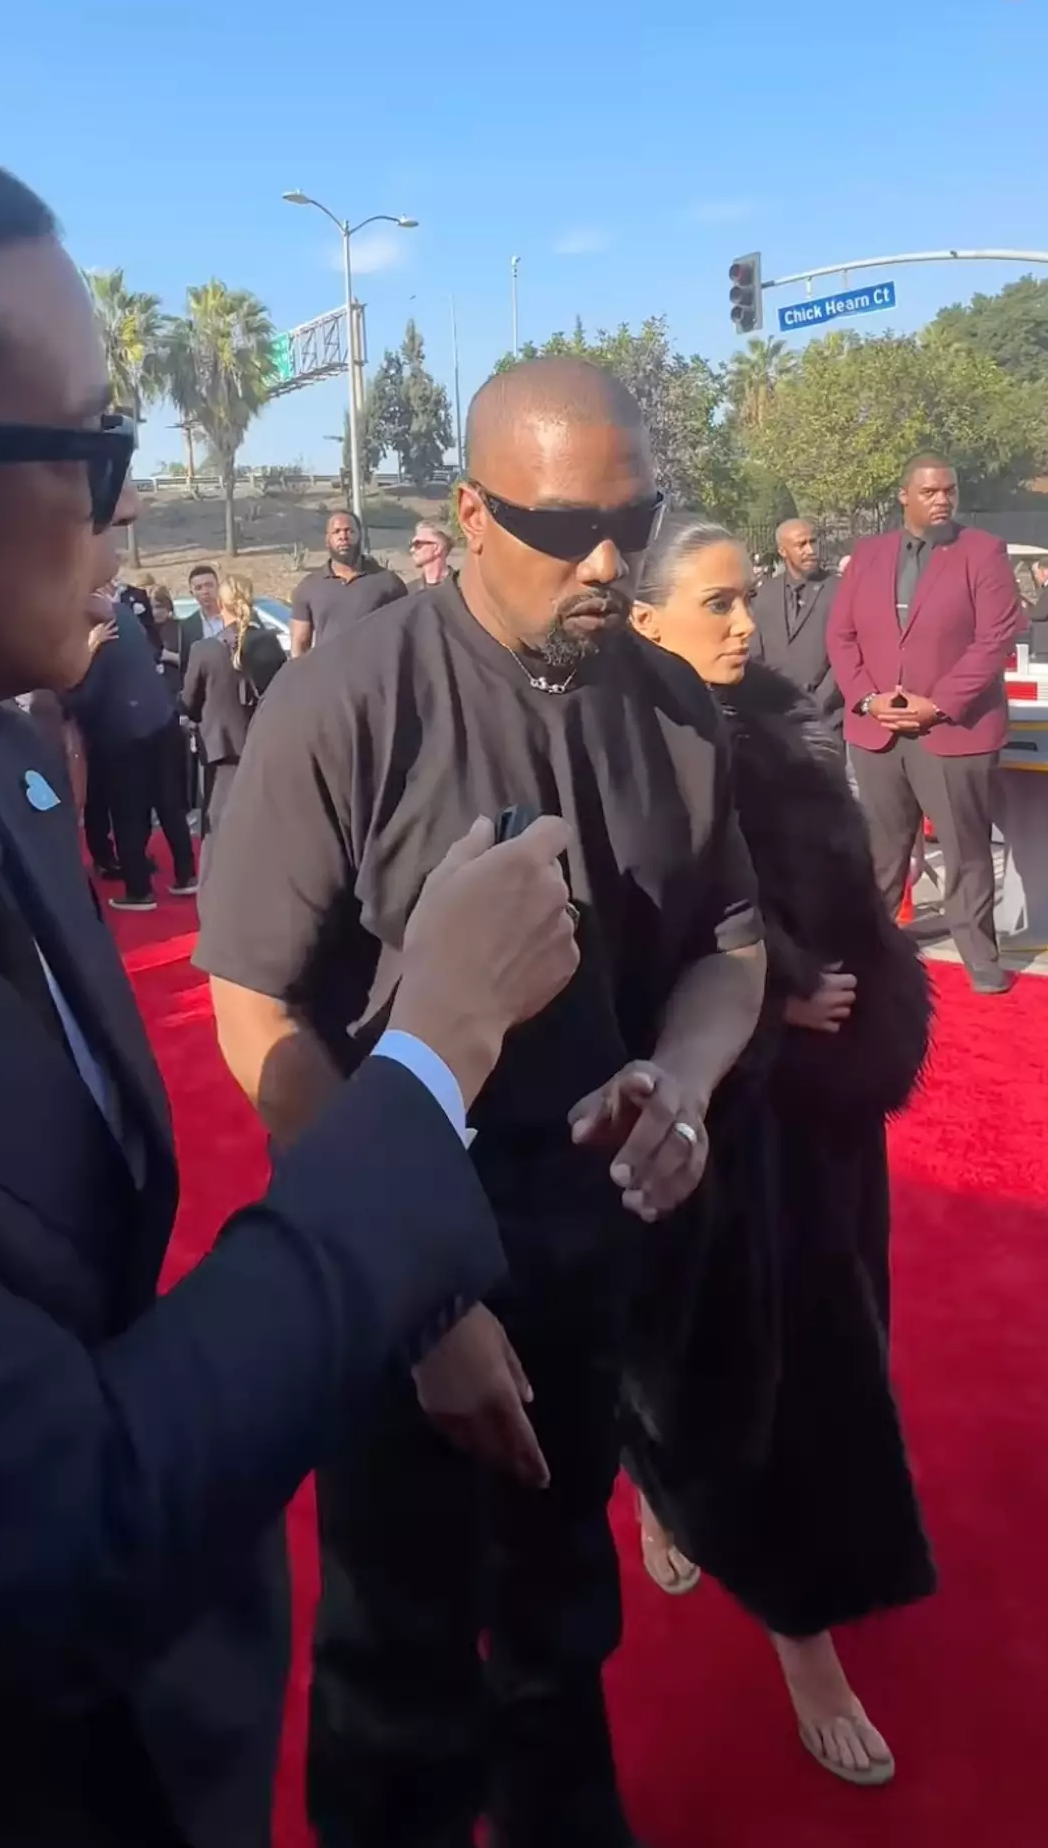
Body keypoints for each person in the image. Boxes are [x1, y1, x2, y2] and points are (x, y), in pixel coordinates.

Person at [0, 86, 585, 1848]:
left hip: (163, 1737)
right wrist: (436, 1051)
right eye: (93, 455)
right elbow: (60, 1516)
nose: (135, 503)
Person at [197, 357, 767, 1848]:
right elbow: (255, 1013)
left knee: (561, 1621)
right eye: (563, 522)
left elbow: (727, 948)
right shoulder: (347, 698)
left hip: (590, 1254)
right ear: (467, 508)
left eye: (631, 522)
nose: (606, 561)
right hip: (395, 1252)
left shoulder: (681, 717)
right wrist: (418, 1290)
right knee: (395, 1658)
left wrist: (688, 1080)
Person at [621, 520, 935, 1790]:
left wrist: (861, 1003)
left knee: (836, 1347)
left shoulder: (791, 727)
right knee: (740, 1375)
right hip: (716, 1126)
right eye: (714, 602)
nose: (745, 623)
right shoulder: (620, 748)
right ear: (646, 621)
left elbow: (855, 903)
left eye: (748, 598)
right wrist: (757, 1006)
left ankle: (687, 1498)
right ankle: (802, 1640)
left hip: (824, 1123)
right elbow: (618, 955)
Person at [828, 453, 1022, 996]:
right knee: (882, 851)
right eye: (931, 491)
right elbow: (842, 637)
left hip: (953, 732)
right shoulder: (867, 556)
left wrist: (936, 706)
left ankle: (980, 956)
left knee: (965, 849)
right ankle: (869, 951)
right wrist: (867, 699)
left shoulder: (983, 553)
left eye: (949, 491)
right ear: (904, 496)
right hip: (877, 732)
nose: (943, 500)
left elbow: (994, 641)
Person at [67, 587, 198, 907]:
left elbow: (81, 697)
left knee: (128, 813)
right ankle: (186, 874)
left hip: (125, 734)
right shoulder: (125, 615)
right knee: (169, 803)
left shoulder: (94, 643)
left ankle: (139, 890)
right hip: (161, 719)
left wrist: (81, 657)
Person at [182, 571, 286, 863]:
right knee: (262, 814)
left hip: (221, 748)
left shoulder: (204, 649)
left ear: (221, 602)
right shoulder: (270, 643)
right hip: (261, 740)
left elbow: (189, 703)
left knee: (219, 821)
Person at [749, 516, 843, 734]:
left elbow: (846, 652)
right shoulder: (765, 594)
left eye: (813, 541)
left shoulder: (840, 590)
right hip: (776, 716)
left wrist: (818, 701)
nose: (810, 550)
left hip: (826, 717)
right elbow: (755, 653)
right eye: (801, 544)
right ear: (783, 551)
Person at [289, 507, 407, 652]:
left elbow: (405, 635)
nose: (343, 536)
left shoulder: (387, 582)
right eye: (336, 531)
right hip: (328, 672)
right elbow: (299, 643)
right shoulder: (309, 587)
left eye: (349, 531)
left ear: (360, 536)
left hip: (372, 672)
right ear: (327, 540)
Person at [410, 520, 455, 587]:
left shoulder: (464, 588)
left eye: (418, 544)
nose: (412, 550)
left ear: (437, 548)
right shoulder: (408, 592)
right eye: (411, 545)